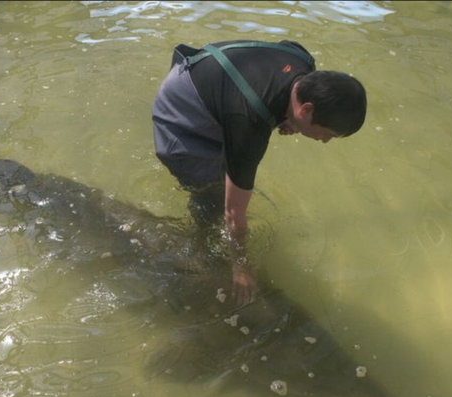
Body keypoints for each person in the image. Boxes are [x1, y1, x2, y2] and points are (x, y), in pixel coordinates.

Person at [152, 40, 367, 306]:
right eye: (328, 134)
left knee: (227, 181)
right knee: (212, 196)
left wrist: (288, 118)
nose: (325, 141)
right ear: (307, 109)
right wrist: (241, 265)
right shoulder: (249, 126)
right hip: (181, 111)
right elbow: (234, 213)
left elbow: (288, 49)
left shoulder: (304, 65)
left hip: (211, 78)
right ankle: (197, 251)